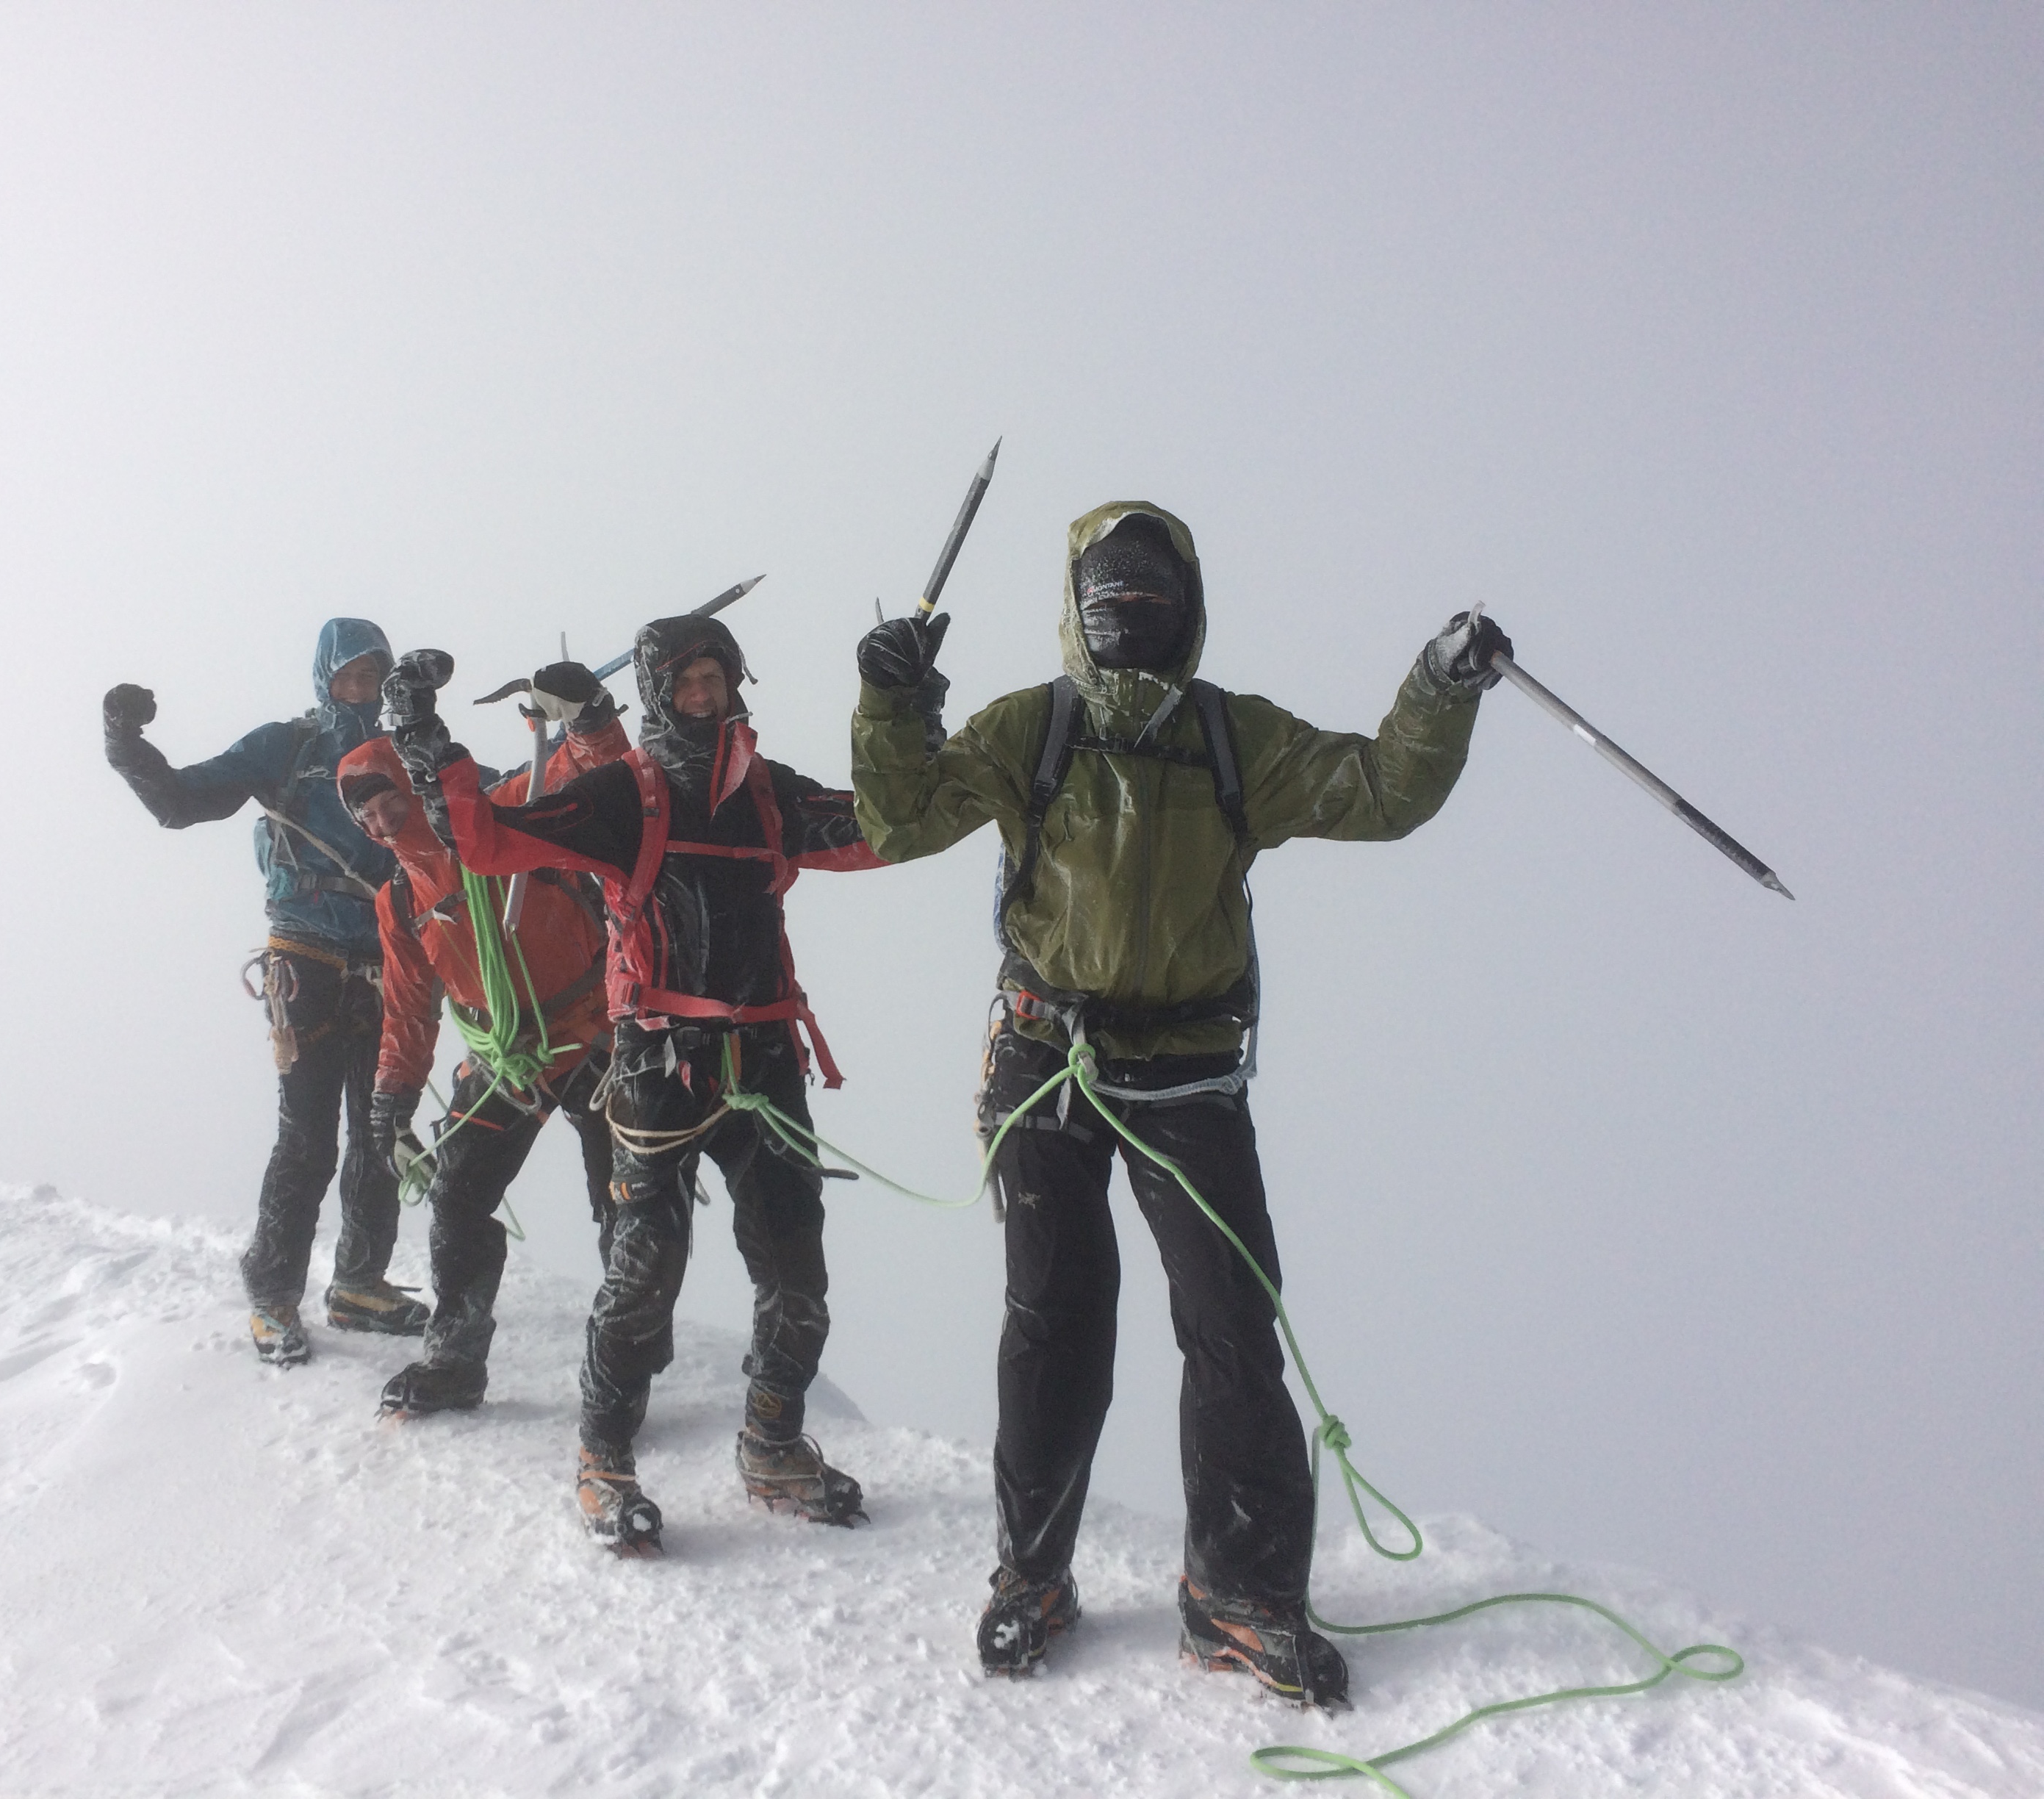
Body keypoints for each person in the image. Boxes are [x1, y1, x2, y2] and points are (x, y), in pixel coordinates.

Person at [849, 503, 1510, 1702]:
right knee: (1054, 1315)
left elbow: (1375, 787)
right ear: (1081, 606)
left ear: (1182, 607)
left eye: (1150, 591)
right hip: (1044, 1057)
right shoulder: (1030, 727)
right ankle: (1029, 1575)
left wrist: (1435, 685)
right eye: (1112, 590)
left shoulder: (1229, 735)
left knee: (1229, 1325)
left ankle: (1238, 1596)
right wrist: (890, 702)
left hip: (1187, 1068)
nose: (1131, 609)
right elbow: (900, 818)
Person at [383, 616, 885, 1556]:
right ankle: (604, 1459)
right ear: (658, 693)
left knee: (796, 1268)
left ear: (738, 683)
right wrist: (426, 741)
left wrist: (904, 713)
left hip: (764, 1054)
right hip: (658, 1057)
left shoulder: (769, 795)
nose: (704, 692)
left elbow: (886, 833)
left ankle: (773, 1444)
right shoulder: (628, 795)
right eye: (685, 679)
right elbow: (485, 842)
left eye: (716, 675)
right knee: (644, 1264)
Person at [102, 618, 431, 1367]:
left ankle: (358, 1284)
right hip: (305, 957)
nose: (363, 687)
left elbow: (468, 818)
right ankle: (274, 1295)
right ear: (325, 677)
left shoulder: (404, 751)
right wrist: (125, 741)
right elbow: (181, 802)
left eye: (374, 675)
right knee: (309, 1135)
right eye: (350, 674)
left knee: (380, 1132)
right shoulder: (288, 745)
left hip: (385, 957)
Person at [337, 661, 630, 1417]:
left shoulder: (502, 809)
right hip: (509, 1053)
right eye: (361, 813)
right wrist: (391, 1103)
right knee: (460, 1193)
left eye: (382, 796)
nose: (376, 818)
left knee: (627, 1200)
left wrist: (589, 713)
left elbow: (596, 771)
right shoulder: (400, 898)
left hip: (597, 1030)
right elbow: (409, 1009)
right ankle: (454, 1358)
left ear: (410, 780)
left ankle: (631, 1355)